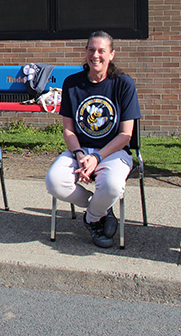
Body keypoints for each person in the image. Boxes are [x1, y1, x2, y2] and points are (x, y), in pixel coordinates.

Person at [45, 31, 141, 248]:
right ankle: (102, 209)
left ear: (112, 54)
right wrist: (80, 154)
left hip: (113, 151)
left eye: (101, 51)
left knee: (113, 186)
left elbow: (126, 134)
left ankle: (91, 218)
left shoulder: (124, 84)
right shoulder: (72, 83)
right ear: (86, 52)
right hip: (80, 151)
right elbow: (68, 130)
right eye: (91, 49)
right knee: (54, 181)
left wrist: (97, 157)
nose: (95, 55)